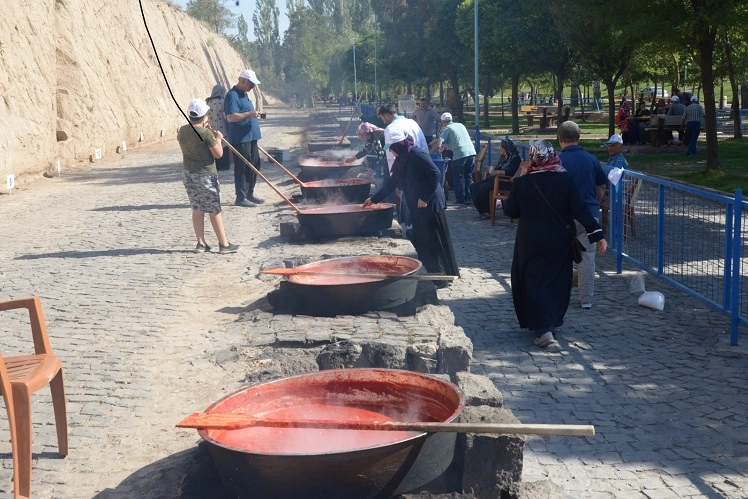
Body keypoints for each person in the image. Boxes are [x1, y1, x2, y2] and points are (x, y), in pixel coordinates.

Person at [502, 140, 606, 348]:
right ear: (551, 155)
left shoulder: (523, 183)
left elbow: (511, 212)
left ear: (533, 157)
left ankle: (543, 328)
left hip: (530, 242)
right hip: (558, 241)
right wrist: (597, 234)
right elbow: (580, 209)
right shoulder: (565, 180)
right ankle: (551, 322)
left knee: (533, 282)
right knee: (557, 281)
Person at [363, 128, 459, 283]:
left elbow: (435, 174)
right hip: (418, 206)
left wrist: (424, 197)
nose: (391, 153)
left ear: (399, 145)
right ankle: (433, 272)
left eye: (392, 149)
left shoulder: (416, 154)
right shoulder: (402, 159)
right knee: (422, 241)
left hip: (430, 204)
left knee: (434, 241)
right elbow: (392, 182)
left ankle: (442, 276)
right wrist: (373, 200)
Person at [177, 99, 239, 254]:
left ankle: (200, 243)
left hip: (188, 173)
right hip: (205, 175)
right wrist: (217, 138)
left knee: (197, 208)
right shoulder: (206, 134)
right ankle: (223, 244)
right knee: (214, 209)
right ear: (204, 115)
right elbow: (218, 154)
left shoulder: (182, 131)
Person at [557, 121, 608, 309]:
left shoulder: (558, 161)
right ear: (579, 138)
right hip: (589, 215)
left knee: (560, 256)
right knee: (587, 258)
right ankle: (586, 299)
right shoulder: (592, 160)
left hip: (564, 216)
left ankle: (559, 295)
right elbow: (601, 186)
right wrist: (596, 202)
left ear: (560, 139)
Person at [225, 69, 265, 207]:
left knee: (254, 164)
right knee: (242, 167)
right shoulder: (232, 96)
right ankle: (241, 197)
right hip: (240, 138)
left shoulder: (244, 94)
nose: (252, 87)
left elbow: (246, 113)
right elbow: (231, 117)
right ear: (243, 81)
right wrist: (249, 114)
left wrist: (253, 114)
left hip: (251, 136)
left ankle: (249, 193)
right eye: (251, 84)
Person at [429, 113, 477, 206]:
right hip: (471, 152)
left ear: (443, 122)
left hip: (460, 154)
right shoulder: (460, 125)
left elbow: (439, 144)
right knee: (468, 176)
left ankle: (460, 199)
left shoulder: (447, 129)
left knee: (457, 177)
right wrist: (432, 142)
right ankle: (469, 198)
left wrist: (428, 153)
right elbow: (440, 139)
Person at [470, 138, 521, 219]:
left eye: (501, 147)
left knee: (484, 188)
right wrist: (492, 170)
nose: (500, 148)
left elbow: (511, 172)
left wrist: (497, 172)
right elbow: (498, 167)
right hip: (495, 179)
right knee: (474, 187)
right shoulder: (503, 157)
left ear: (506, 148)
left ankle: (488, 212)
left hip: (505, 181)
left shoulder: (515, 158)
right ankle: (482, 211)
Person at [206, 84, 230, 171]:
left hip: (211, 129)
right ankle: (224, 165)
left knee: (214, 145)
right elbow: (225, 116)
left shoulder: (208, 102)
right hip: (221, 128)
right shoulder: (222, 102)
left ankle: (216, 165)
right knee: (223, 146)